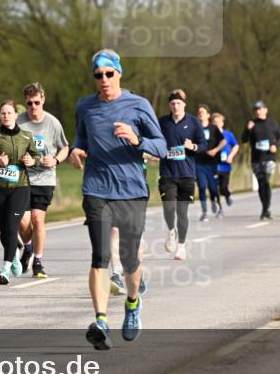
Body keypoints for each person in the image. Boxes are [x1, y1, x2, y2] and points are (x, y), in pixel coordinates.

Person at [70, 50, 166, 350]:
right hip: (96, 188)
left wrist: (138, 140)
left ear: (119, 74)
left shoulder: (138, 105)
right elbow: (81, 139)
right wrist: (76, 150)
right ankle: (100, 321)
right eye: (98, 75)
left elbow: (162, 146)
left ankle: (133, 303)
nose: (103, 79)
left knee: (129, 259)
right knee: (100, 256)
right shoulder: (85, 106)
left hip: (132, 191)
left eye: (109, 73)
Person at [0, 99, 42, 285]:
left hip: (20, 187)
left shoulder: (27, 137)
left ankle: (4, 269)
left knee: (13, 227)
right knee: (4, 231)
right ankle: (13, 256)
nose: (6, 116)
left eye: (9, 113)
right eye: (3, 113)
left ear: (15, 115)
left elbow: (37, 156)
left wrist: (33, 162)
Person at [16, 82, 70, 278]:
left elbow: (65, 148)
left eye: (36, 103)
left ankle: (38, 261)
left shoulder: (53, 123)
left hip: (44, 178)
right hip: (22, 178)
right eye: (29, 103)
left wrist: (55, 160)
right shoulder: (18, 122)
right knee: (23, 222)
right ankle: (28, 247)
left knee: (38, 219)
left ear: (43, 100)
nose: (33, 107)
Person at [157, 89, 206, 261]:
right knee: (168, 207)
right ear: (169, 105)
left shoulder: (193, 122)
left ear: (184, 104)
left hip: (186, 174)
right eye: (172, 104)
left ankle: (182, 247)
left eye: (178, 103)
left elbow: (203, 145)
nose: (175, 106)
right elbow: (154, 139)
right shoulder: (162, 122)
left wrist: (193, 147)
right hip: (168, 173)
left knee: (182, 212)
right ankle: (171, 231)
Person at [241, 100, 280, 220]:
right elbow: (244, 139)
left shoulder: (272, 123)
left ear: (266, 110)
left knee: (266, 180)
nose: (258, 112)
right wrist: (248, 129)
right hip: (256, 158)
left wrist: (276, 145)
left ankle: (266, 208)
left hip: (269, 157)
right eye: (256, 110)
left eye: (260, 109)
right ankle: (265, 208)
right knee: (261, 184)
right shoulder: (252, 124)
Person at [195, 104, 225, 222]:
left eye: (203, 113)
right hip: (199, 163)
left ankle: (219, 207)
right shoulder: (195, 129)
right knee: (202, 186)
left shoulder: (214, 128)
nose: (201, 115)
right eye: (199, 113)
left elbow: (223, 142)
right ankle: (204, 212)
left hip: (211, 163)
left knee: (213, 188)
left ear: (208, 115)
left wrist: (216, 150)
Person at [212, 112, 239, 210]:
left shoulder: (228, 135)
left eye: (218, 122)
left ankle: (227, 194)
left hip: (225, 165)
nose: (216, 124)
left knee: (223, 188)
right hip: (213, 165)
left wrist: (231, 156)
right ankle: (218, 207)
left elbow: (236, 145)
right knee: (213, 187)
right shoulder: (209, 135)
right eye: (214, 122)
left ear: (222, 123)